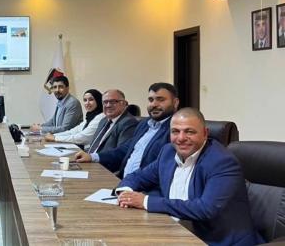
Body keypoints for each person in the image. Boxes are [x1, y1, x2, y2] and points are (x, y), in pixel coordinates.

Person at [117, 108, 263, 246]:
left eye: (189, 132)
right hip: (173, 232)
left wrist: (145, 201)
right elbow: (139, 176)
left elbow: (205, 209)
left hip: (216, 241)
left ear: (205, 133)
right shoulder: (167, 152)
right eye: (175, 131)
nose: (181, 138)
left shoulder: (221, 162)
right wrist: (126, 193)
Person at [75, 83, 178, 178]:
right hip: (122, 180)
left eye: (160, 100)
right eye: (151, 100)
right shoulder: (144, 124)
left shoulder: (175, 130)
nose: (154, 104)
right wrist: (92, 157)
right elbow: (124, 149)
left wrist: (129, 184)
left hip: (139, 186)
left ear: (175, 102)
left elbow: (160, 170)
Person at [73, 89, 137, 155]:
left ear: (124, 103)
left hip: (103, 161)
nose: (108, 105)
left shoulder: (128, 123)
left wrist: (93, 157)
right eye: (105, 102)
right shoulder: (103, 120)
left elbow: (121, 153)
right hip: (89, 157)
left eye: (113, 101)